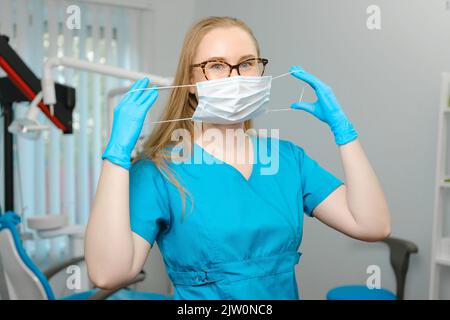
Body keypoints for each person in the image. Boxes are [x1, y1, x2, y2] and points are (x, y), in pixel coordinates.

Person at [85, 16, 391, 300]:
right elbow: (108, 274)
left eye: (246, 64)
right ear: (190, 83)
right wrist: (117, 155)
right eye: (216, 65)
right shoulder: (159, 172)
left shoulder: (288, 159)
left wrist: (345, 133)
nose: (235, 77)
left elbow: (372, 226)